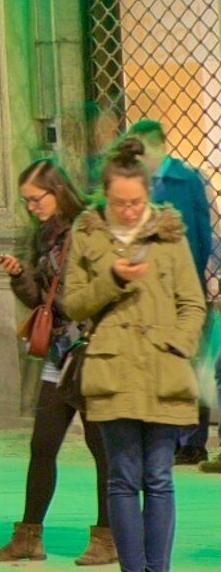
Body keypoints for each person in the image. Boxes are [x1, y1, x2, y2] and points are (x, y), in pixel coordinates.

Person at [65, 150, 205, 572]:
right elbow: (74, 304)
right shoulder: (87, 233)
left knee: (159, 479)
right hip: (113, 370)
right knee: (123, 479)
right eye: (119, 203)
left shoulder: (170, 234)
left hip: (164, 370)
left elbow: (193, 303)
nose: (128, 211)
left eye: (136, 202)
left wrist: (178, 346)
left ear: (148, 195)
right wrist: (113, 279)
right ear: (105, 197)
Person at [0, 160, 107, 565]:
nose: (32, 207)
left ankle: (108, 537)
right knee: (42, 445)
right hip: (60, 352)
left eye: (36, 199)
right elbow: (42, 298)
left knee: (101, 448)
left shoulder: (88, 229)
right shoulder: (46, 236)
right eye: (26, 201)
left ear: (57, 191)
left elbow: (92, 292)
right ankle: (28, 537)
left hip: (89, 352)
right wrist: (20, 275)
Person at [116, 121, 215, 468]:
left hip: (183, 287)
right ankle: (165, 437)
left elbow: (201, 235)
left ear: (155, 145)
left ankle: (193, 441)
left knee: (189, 362)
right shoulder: (136, 183)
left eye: (140, 148)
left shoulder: (187, 180)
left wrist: (193, 283)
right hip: (147, 291)